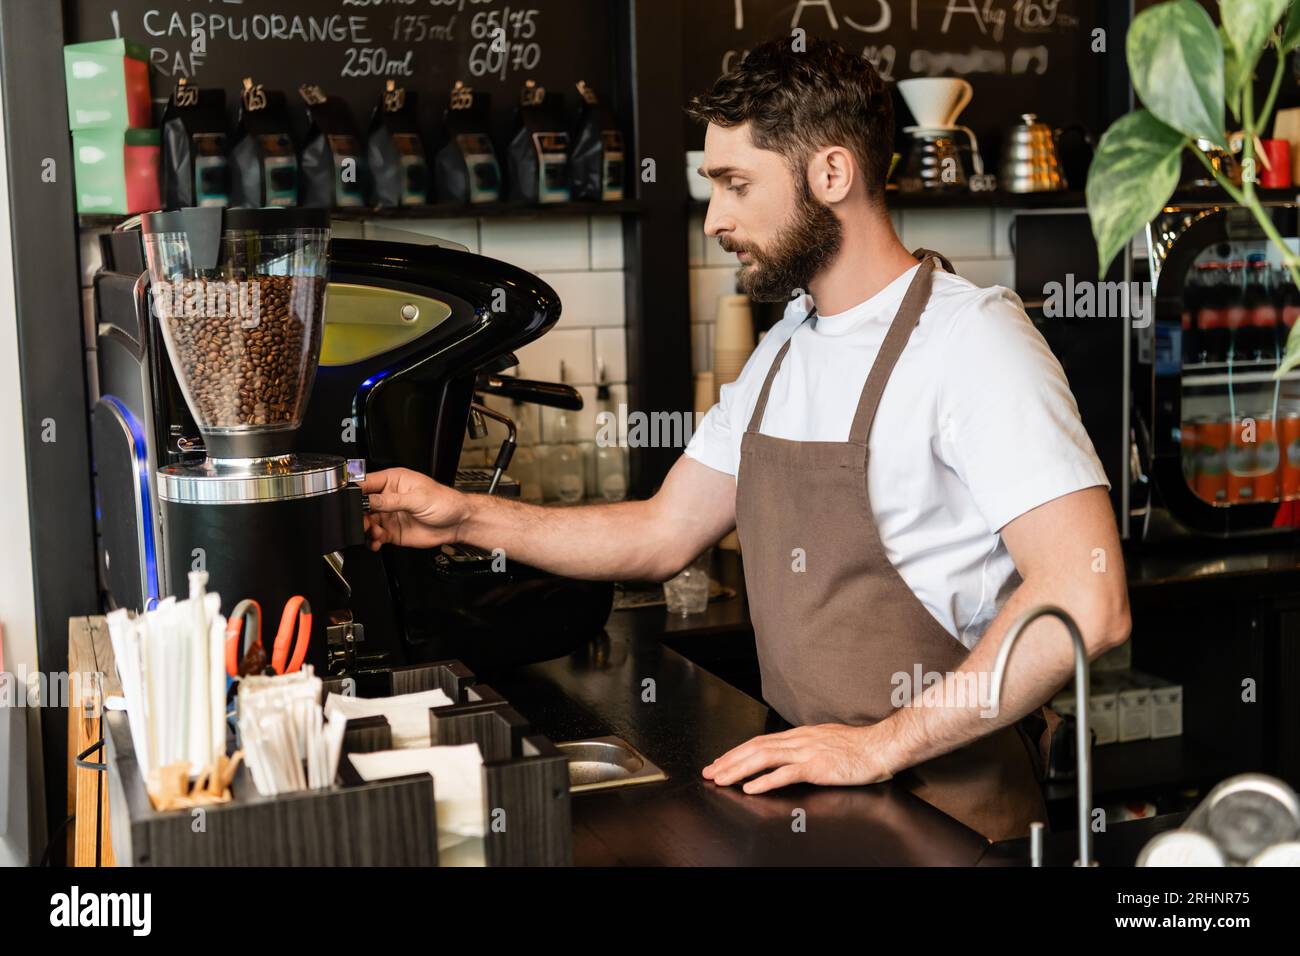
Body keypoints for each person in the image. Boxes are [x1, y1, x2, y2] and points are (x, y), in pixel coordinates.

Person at [359, 36, 1130, 842]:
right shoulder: (787, 345)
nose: (716, 218)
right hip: (824, 798)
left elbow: (1086, 600)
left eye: (735, 183)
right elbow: (663, 532)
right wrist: (462, 516)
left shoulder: (973, 340)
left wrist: (877, 746)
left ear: (832, 174)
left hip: (951, 820)